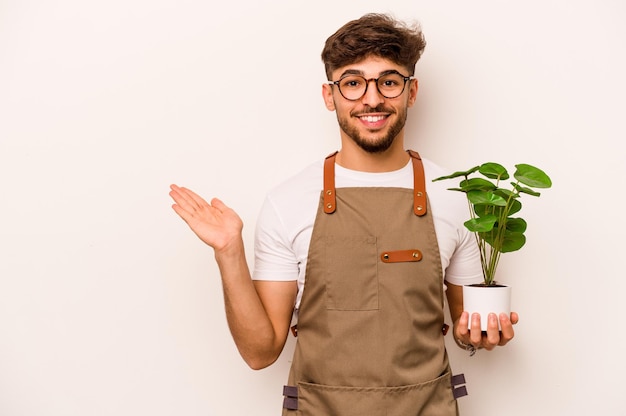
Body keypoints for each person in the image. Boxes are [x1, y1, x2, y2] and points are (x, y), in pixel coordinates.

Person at [169, 13, 518, 416]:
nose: (372, 99)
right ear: (329, 95)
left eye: (389, 81)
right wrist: (228, 251)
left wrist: (481, 333)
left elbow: (466, 330)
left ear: (411, 91)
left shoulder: (453, 198)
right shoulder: (289, 202)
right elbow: (260, 352)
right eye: (352, 83)